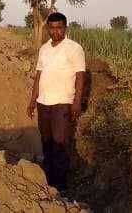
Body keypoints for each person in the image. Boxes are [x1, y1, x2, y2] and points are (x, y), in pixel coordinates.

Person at [26, 11, 86, 190]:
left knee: (60, 142)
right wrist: (32, 100)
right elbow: (38, 75)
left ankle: (60, 185)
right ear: (48, 29)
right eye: (51, 28)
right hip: (43, 102)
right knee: (46, 141)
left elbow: (80, 76)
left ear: (65, 28)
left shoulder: (74, 48)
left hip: (62, 103)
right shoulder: (44, 49)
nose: (55, 31)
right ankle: (49, 177)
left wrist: (77, 101)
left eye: (59, 27)